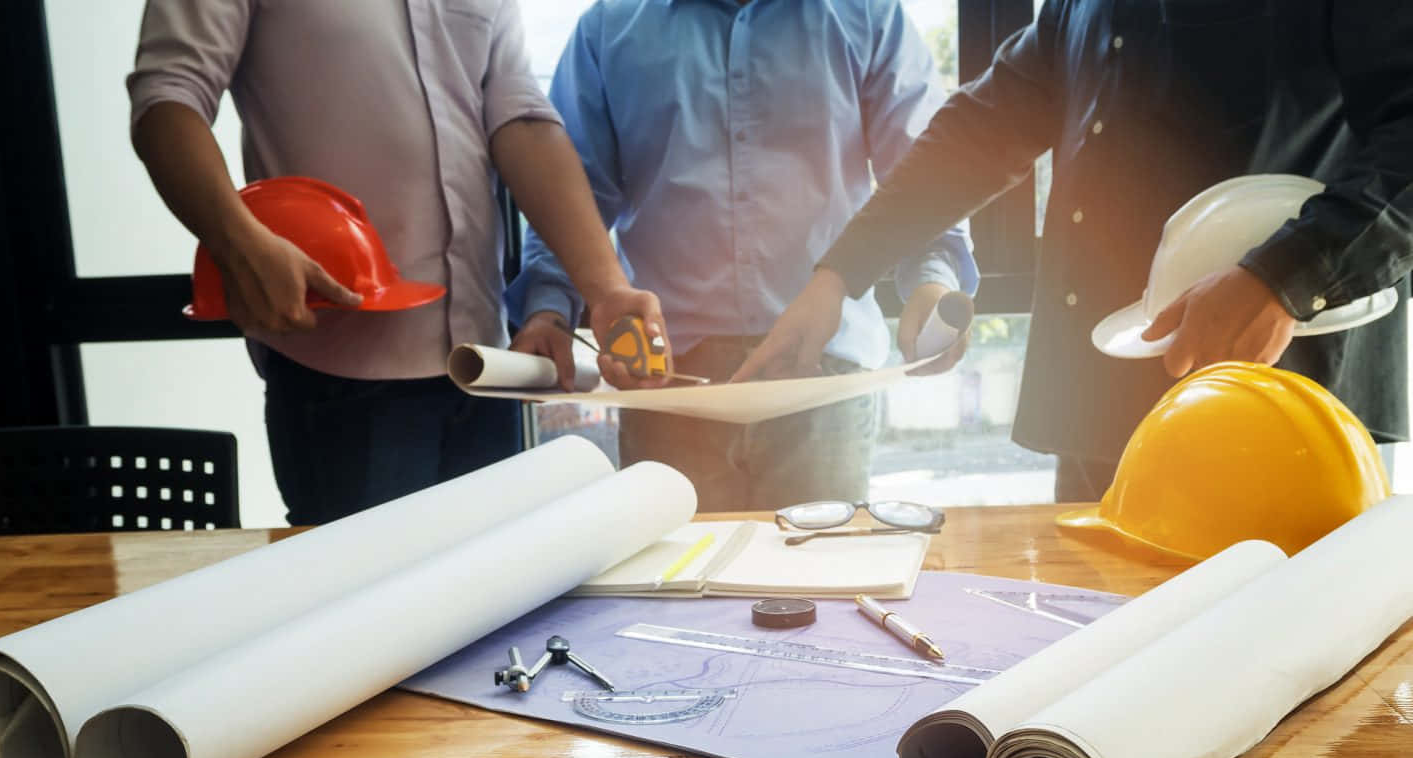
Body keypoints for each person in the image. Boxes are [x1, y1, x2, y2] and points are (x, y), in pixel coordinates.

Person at [744, 0, 1413, 501]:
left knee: (1288, 675)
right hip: (1103, 411)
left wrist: (1283, 277)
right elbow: (981, 130)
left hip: (1282, 406)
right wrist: (835, 277)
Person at [128, 0, 664, 524]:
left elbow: (521, 121)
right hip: (342, 370)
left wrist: (606, 288)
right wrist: (236, 239)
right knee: (360, 600)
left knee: (493, 594)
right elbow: (169, 96)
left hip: (484, 366)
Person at [506, 0, 978, 512]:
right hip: (671, 388)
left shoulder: (867, 15)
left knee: (823, 583)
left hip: (822, 385)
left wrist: (932, 276)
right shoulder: (608, 31)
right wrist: (548, 308)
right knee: (680, 583)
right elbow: (574, 196)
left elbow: (921, 170)